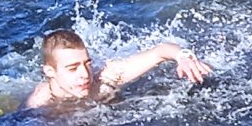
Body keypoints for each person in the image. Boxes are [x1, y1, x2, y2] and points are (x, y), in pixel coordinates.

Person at [22, 27, 212, 110]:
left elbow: (160, 51)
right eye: (72, 68)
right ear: (50, 71)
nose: (84, 75)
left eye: (87, 64)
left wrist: (183, 57)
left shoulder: (104, 79)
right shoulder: (39, 103)